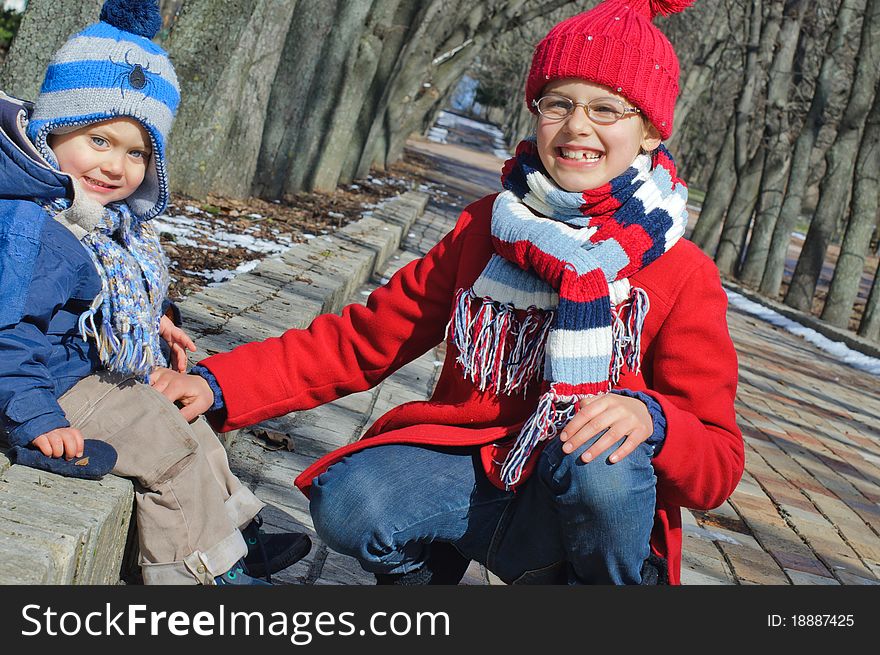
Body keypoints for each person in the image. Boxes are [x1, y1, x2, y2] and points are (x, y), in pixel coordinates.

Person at [154, 0, 743, 585]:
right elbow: (364, 339)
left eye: (606, 109)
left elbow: (719, 462)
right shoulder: (488, 228)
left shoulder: (682, 271)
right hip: (478, 475)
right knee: (352, 503)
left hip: (583, 507)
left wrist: (654, 418)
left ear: (649, 131)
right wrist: (217, 384)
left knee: (603, 463)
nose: (577, 126)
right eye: (557, 103)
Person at [0, 0, 310, 585]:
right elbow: (6, 329)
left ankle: (236, 541)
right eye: (99, 140)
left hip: (76, 369)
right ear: (52, 129)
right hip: (41, 388)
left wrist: (154, 319)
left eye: (137, 152)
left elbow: (105, 293)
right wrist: (36, 418)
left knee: (190, 425)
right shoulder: (35, 225)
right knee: (166, 444)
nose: (116, 166)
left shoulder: (95, 219)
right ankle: (196, 576)